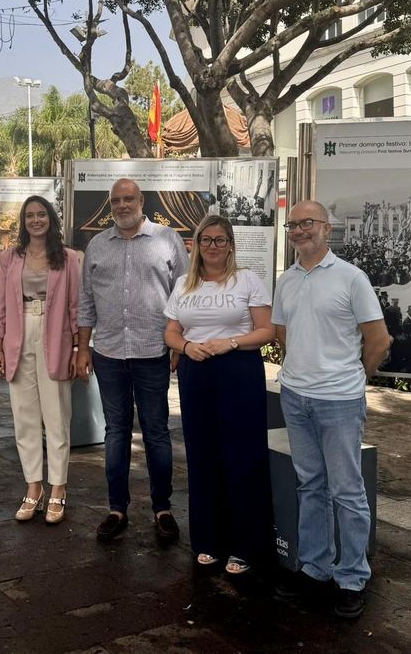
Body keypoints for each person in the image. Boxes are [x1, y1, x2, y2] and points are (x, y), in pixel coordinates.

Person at [272, 200, 392, 619]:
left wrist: (355, 378)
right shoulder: (286, 280)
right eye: (294, 225)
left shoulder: (351, 278)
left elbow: (379, 341)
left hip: (339, 401)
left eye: (308, 223)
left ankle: (353, 576)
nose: (300, 231)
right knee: (310, 487)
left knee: (347, 490)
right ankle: (315, 568)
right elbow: (284, 332)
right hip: (296, 397)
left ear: (326, 228)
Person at [75, 178, 189, 542]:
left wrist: (178, 344)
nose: (122, 206)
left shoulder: (167, 240)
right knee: (115, 433)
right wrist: (82, 348)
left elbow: (183, 295)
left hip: (152, 354)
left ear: (142, 201)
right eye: (116, 201)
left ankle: (162, 508)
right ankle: (116, 508)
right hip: (108, 354)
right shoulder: (97, 245)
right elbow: (86, 302)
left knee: (156, 433)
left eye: (129, 199)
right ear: (111, 206)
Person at [162, 216, 275, 575]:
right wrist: (185, 346)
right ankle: (208, 540)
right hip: (197, 373)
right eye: (206, 240)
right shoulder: (184, 284)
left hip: (238, 370)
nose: (213, 246)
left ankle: (245, 545)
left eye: (220, 240)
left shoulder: (248, 280)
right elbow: (171, 330)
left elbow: (267, 331)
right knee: (202, 456)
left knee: (243, 457)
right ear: (196, 245)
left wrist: (230, 342)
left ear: (231, 245)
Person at [0, 196, 81, 524]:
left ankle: (58, 488)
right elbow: (0, 307)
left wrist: (75, 349)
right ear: (24, 222)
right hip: (18, 333)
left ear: (50, 219)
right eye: (30, 215)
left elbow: (75, 307)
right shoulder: (10, 258)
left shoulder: (69, 258)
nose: (36, 220)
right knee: (24, 417)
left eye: (41, 214)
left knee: (57, 416)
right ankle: (33, 486)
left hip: (55, 334)